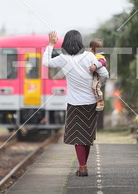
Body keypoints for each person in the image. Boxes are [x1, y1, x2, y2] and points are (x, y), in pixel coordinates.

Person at [43, 30, 109, 177]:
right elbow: (105, 74)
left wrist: (51, 44)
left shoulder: (63, 58)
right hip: (92, 102)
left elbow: (46, 62)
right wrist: (97, 84)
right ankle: (83, 166)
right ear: (80, 42)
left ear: (66, 42)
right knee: (87, 136)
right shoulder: (89, 56)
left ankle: (83, 167)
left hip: (74, 103)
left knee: (78, 136)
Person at [88, 38, 107, 111]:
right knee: (93, 87)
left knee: (95, 86)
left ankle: (100, 101)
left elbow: (103, 62)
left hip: (98, 75)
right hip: (93, 75)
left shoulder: (100, 56)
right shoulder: (91, 54)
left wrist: (95, 66)